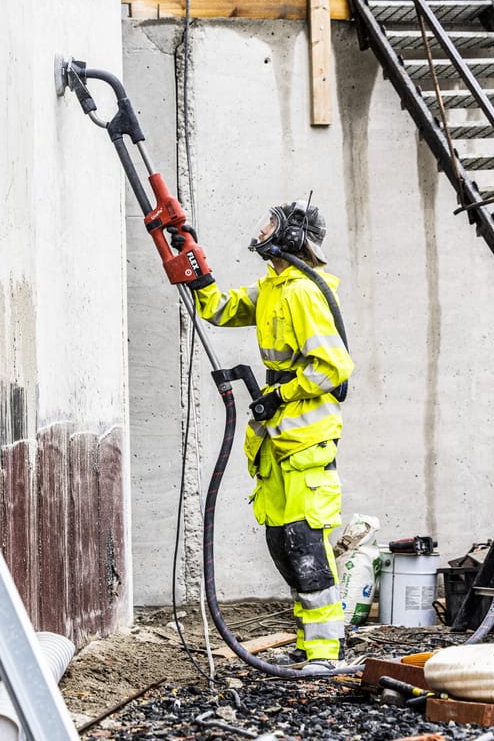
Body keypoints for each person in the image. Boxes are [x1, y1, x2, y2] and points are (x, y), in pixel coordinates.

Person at [182, 199, 354, 666]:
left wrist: (281, 395)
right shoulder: (273, 288)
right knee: (283, 543)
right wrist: (194, 264)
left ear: (292, 236)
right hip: (277, 440)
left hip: (305, 438)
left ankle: (326, 652)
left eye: (271, 225)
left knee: (304, 542)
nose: (261, 231)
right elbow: (220, 309)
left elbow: (334, 368)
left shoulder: (303, 293)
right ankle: (309, 646)